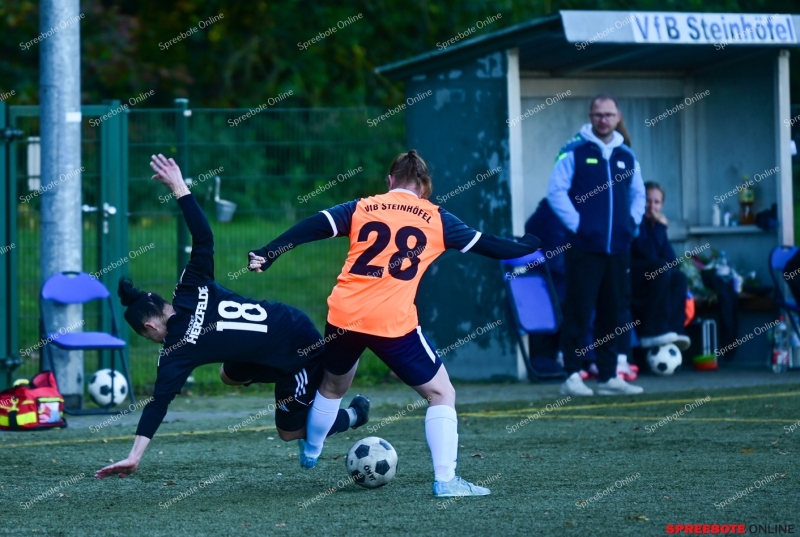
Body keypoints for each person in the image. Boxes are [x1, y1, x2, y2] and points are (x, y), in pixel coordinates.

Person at [247, 150, 541, 497]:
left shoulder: (362, 206)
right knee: (441, 393)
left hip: (345, 314)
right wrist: (527, 245)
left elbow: (311, 226)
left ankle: (311, 452)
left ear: (390, 181)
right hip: (391, 323)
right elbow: (490, 245)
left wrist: (269, 252)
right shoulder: (437, 218)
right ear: (425, 188)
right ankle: (446, 481)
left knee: (332, 387)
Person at [95, 155, 369, 479]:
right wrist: (179, 186)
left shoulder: (176, 349)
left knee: (291, 432)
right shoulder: (189, 285)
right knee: (228, 374)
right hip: (285, 319)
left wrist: (134, 456)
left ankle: (353, 415)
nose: (154, 342)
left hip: (296, 346)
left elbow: (157, 404)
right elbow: (204, 238)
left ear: (149, 326)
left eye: (147, 337)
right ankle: (295, 393)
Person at [547, 93, 645, 397]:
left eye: (609, 114)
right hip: (584, 249)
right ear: (591, 116)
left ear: (618, 117)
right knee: (578, 310)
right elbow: (556, 191)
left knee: (613, 312)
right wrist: (580, 226)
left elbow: (638, 194)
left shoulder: (626, 155)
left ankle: (608, 376)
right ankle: (572, 375)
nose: (604, 119)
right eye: (598, 114)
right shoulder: (574, 151)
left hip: (618, 249)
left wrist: (631, 223)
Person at [630, 182, 691, 350]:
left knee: (679, 277)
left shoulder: (656, 226)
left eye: (656, 202)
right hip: (632, 276)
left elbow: (672, 260)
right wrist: (661, 227)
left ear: (661, 205)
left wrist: (660, 230)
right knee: (660, 266)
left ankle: (675, 330)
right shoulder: (636, 221)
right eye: (648, 201)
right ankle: (653, 331)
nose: (652, 206)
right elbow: (647, 253)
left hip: (654, 278)